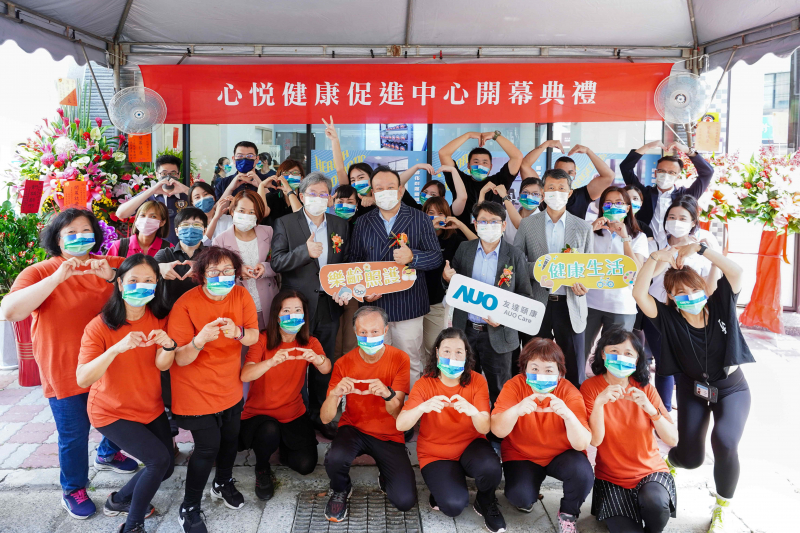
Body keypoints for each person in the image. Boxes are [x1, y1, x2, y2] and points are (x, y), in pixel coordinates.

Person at [2, 209, 136, 520]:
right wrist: (56, 278)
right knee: (74, 433)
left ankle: (108, 453)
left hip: (111, 362)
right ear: (57, 239)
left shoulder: (109, 264)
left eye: (85, 230)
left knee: (119, 414)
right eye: (70, 232)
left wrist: (111, 276)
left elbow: (147, 276)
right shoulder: (39, 271)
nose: (79, 237)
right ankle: (73, 488)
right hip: (65, 367)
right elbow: (9, 311)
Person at [634, 241, 755, 533]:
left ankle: (721, 507)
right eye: (681, 293)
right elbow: (639, 293)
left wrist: (700, 250)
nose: (690, 297)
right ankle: (671, 463)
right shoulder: (667, 319)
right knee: (691, 459)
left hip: (731, 389)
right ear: (671, 297)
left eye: (694, 290)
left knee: (725, 441)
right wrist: (654, 258)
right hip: (693, 390)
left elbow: (736, 272)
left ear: (703, 289)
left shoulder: (720, 305)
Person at [76, 254, 175, 533]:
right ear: (120, 284)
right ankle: (132, 526)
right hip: (111, 411)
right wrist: (116, 349)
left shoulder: (159, 319)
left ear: (156, 284)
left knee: (166, 466)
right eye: (133, 280)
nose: (140, 286)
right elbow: (83, 378)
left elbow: (162, 365)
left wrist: (168, 346)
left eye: (148, 281)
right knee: (158, 460)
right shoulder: (99, 326)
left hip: (149, 406)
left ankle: (118, 500)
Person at [167, 246, 260, 533]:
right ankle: (189, 507)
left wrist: (238, 333)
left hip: (229, 385)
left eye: (228, 270)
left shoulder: (241, 295)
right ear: (201, 274)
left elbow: (253, 335)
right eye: (214, 271)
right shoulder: (185, 304)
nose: (222, 276)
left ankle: (222, 483)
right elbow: (179, 358)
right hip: (193, 389)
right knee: (208, 448)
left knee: (230, 439)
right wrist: (200, 340)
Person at [397, 328, 505, 533]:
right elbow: (401, 425)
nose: (452, 357)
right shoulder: (424, 383)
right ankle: (443, 486)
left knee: (491, 468)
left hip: (471, 446)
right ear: (437, 353)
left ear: (466, 355)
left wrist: (473, 411)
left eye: (458, 352)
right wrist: (422, 407)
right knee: (453, 506)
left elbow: (485, 427)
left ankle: (486, 500)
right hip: (435, 453)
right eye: (446, 351)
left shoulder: (477, 380)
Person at [271, 172, 351, 439]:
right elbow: (277, 262)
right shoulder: (285, 222)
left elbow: (345, 264)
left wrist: (344, 289)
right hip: (296, 308)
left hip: (329, 306)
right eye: (312, 193)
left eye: (323, 194)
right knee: (292, 362)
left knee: (322, 363)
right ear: (302, 196)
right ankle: (292, 414)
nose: (318, 198)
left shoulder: (340, 225)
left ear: (330, 198)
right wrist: (304, 252)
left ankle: (319, 416)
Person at [347, 165, 443, 386]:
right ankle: (380, 405)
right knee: (375, 362)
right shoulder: (363, 222)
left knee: (410, 362)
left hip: (408, 305)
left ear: (400, 190)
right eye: (379, 188)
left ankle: (408, 405)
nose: (385, 192)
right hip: (373, 306)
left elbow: (436, 257)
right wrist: (363, 292)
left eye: (390, 187)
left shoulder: (419, 219)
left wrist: (413, 257)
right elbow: (354, 261)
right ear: (372, 193)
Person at [320, 306, 415, 521]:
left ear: (385, 330)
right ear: (355, 331)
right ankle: (341, 488)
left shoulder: (400, 358)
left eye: (374, 331)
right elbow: (325, 418)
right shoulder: (343, 363)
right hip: (354, 427)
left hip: (389, 433)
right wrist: (334, 394)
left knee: (405, 501)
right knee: (335, 458)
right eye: (363, 332)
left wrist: (388, 395)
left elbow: (398, 413)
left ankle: (386, 475)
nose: (369, 337)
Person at [582, 326, 678, 533]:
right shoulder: (590, 388)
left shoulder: (646, 389)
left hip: (650, 472)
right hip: (611, 477)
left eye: (628, 353)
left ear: (636, 360)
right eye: (614, 351)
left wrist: (651, 410)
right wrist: (599, 404)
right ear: (603, 354)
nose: (620, 357)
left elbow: (672, 439)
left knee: (656, 506)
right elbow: (595, 440)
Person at [491, 338, 593, 532]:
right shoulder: (514, 386)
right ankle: (531, 489)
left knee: (583, 475)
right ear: (525, 369)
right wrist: (516, 410)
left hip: (561, 454)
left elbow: (582, 443)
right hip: (521, 454)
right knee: (520, 497)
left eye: (548, 370)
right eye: (535, 368)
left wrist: (568, 416)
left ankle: (568, 514)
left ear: (560, 372)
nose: (541, 375)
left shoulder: (569, 392)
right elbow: (497, 430)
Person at [240, 290, 329, 501]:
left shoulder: (309, 342)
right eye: (286, 310)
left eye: (298, 310)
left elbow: (326, 368)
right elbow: (245, 374)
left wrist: (318, 359)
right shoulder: (262, 339)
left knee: (306, 465)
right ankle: (262, 468)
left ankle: (283, 447)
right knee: (269, 430)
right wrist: (270, 362)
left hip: (293, 413)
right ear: (277, 314)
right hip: (259, 415)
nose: (293, 315)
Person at [442, 201, 533, 404]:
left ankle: (497, 424)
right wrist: (446, 278)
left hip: (499, 335)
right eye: (483, 221)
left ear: (503, 225)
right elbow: (453, 284)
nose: (488, 226)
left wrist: (503, 318)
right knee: (464, 387)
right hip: (466, 331)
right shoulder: (464, 249)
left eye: (494, 221)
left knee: (500, 391)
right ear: (475, 225)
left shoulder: (515, 255)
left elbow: (525, 297)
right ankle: (469, 422)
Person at [514, 169, 594, 387]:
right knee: (534, 363)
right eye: (551, 188)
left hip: (570, 304)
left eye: (561, 188)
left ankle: (573, 406)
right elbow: (516, 264)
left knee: (574, 368)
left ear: (570, 193)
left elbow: (589, 270)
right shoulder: (528, 224)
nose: (556, 193)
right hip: (537, 302)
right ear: (542, 192)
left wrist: (584, 286)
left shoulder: (584, 228)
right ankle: (533, 404)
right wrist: (540, 271)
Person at [645, 195, 721, 411]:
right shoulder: (654, 243)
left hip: (691, 314)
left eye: (682, 218)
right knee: (663, 364)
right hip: (657, 313)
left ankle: (690, 409)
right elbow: (647, 276)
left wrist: (709, 254)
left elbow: (711, 285)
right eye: (671, 217)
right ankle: (664, 411)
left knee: (688, 364)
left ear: (693, 222)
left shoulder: (701, 247)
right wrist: (667, 255)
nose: (676, 222)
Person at [154, 207, 209, 440]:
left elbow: (225, 273)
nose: (191, 230)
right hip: (170, 323)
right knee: (168, 370)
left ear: (205, 230)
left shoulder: (211, 254)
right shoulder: (165, 254)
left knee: (198, 369)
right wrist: (159, 269)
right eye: (186, 225)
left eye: (197, 225)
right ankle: (170, 419)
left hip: (202, 322)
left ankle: (201, 421)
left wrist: (205, 269)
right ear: (176, 230)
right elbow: (145, 270)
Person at [584, 186, 648, 363]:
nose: (613, 207)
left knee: (615, 357)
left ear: (627, 208)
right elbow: (575, 260)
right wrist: (588, 232)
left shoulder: (638, 237)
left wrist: (625, 238)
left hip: (622, 306)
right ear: (601, 208)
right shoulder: (591, 231)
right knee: (579, 352)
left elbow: (637, 272)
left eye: (619, 203)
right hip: (589, 302)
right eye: (608, 203)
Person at [620, 140, 713, 245]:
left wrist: (687, 150)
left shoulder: (685, 197)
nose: (666, 175)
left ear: (677, 176)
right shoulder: (643, 194)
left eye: (671, 172)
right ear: (655, 173)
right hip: (644, 244)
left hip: (675, 246)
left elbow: (707, 172)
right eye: (662, 171)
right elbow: (625, 167)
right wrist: (648, 146)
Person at [213, 190, 278, 329]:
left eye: (252, 212)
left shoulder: (268, 232)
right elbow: (216, 275)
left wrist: (265, 268)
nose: (246, 216)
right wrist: (237, 272)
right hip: (237, 304)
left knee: (269, 339)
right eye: (241, 211)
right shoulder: (220, 241)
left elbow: (279, 262)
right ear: (232, 211)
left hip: (269, 300)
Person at [421, 196, 473, 360]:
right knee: (413, 348)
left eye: (440, 213)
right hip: (413, 302)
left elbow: (479, 246)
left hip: (436, 302)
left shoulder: (454, 240)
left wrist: (461, 225)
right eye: (430, 213)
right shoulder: (417, 235)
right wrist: (428, 228)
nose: (435, 217)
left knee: (433, 347)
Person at [438, 130, 523, 227]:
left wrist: (495, 135)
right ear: (468, 165)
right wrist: (468, 135)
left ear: (491, 167)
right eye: (476, 162)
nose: (480, 166)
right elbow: (443, 153)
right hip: (460, 234)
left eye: (485, 163)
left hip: (492, 234)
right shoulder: (459, 180)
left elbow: (517, 157)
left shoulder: (499, 181)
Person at [521, 141, 616, 219]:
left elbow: (608, 176)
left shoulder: (582, 195)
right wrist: (546, 144)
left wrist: (588, 151)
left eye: (569, 173)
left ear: (574, 174)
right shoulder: (542, 192)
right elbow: (525, 166)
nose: (565, 176)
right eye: (561, 172)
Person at [116, 154, 190, 246]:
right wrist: (151, 191)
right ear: (157, 175)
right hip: (153, 250)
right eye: (164, 173)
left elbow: (207, 210)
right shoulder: (147, 196)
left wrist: (187, 190)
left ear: (178, 175)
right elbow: (121, 213)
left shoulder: (187, 195)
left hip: (182, 249)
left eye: (173, 173)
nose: (168, 177)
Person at [256, 159, 304, 227]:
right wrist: (261, 185)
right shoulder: (271, 198)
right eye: (286, 173)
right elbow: (261, 213)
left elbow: (301, 218)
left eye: (295, 173)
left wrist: (289, 191)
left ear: (301, 178)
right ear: (279, 177)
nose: (290, 176)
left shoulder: (305, 199)